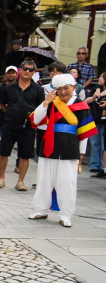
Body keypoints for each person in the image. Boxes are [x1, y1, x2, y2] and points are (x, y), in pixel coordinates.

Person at [29, 73, 96, 227]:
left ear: (73, 88)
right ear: (55, 90)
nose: (64, 92)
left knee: (67, 182)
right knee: (44, 179)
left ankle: (65, 214)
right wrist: (45, 103)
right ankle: (41, 209)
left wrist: (81, 155)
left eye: (67, 88)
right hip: (49, 146)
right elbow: (36, 120)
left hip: (70, 148)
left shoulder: (82, 106)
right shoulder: (51, 103)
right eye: (60, 89)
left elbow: (84, 133)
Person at [0, 60, 45, 190]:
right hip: (10, 125)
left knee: (25, 155)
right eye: (25, 68)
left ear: (34, 72)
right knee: (4, 152)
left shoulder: (38, 89)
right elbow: (1, 103)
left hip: (28, 127)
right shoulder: (9, 87)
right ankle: (1, 178)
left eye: (30, 69)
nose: (27, 71)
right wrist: (11, 113)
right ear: (20, 70)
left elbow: (41, 108)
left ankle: (21, 181)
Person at [87, 73, 106, 178]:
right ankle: (94, 165)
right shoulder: (96, 89)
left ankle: (103, 167)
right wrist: (94, 97)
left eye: (102, 77)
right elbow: (87, 100)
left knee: (104, 145)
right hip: (95, 119)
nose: (99, 78)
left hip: (104, 121)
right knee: (95, 143)